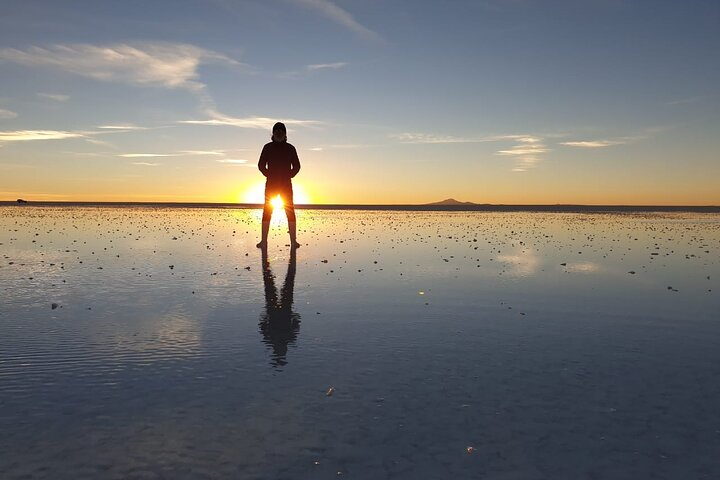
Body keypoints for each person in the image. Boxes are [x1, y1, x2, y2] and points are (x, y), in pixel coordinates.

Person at [256, 122, 301, 249]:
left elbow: (297, 166)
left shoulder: (290, 148)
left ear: (285, 134)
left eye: (281, 131)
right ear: (273, 133)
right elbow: (260, 165)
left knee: (290, 211)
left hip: (286, 184)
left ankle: (293, 241)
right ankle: (263, 241)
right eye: (277, 131)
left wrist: (290, 175)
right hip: (271, 184)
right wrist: (268, 174)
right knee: (267, 211)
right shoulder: (267, 147)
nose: (279, 133)